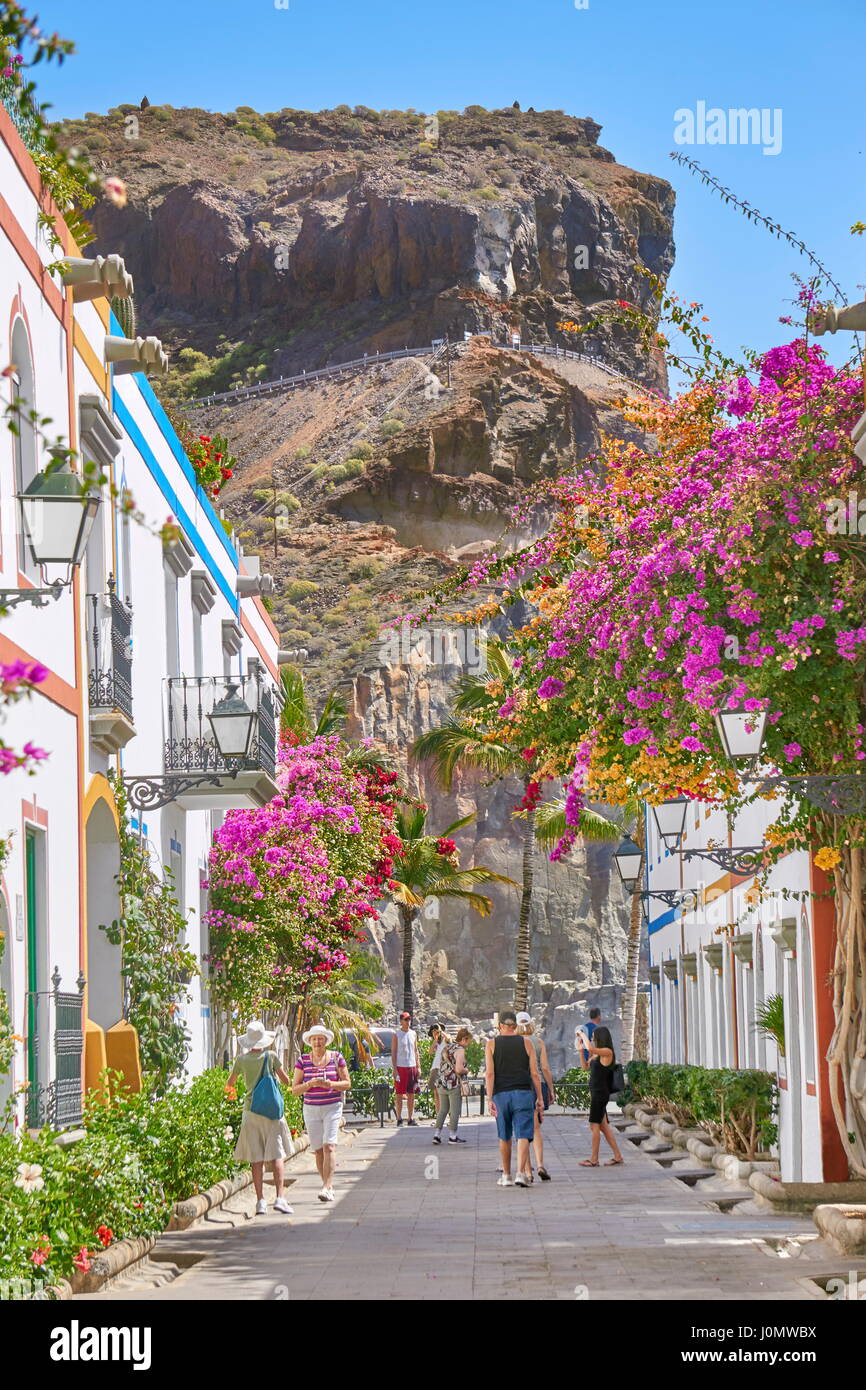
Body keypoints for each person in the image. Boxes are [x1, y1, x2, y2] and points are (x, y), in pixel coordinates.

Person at [225, 1020, 295, 1215]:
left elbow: (229, 1084)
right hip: (272, 1112)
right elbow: (286, 1080)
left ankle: (260, 1201)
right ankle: (280, 1198)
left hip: (251, 1111)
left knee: (256, 1159)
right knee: (276, 1155)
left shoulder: (241, 1060)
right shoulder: (271, 1056)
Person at [292, 1024, 352, 1202]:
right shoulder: (303, 1061)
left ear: (326, 1041)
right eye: (314, 1039)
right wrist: (309, 1084)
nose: (317, 1042)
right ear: (310, 1042)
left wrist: (330, 1085)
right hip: (311, 1108)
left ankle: (326, 1186)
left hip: (332, 1106)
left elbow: (347, 1083)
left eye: (320, 1039)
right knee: (318, 1150)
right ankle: (327, 1185)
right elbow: (295, 1089)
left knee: (329, 1146)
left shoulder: (336, 1057)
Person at [485, 1010, 544, 1187]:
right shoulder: (527, 1044)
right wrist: (539, 1097)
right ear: (515, 1026)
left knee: (504, 1136)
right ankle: (521, 1173)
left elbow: (489, 1074)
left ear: (500, 1026)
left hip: (501, 1095)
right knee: (523, 1134)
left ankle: (506, 1175)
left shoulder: (491, 1044)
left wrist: (489, 1099)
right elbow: (535, 1073)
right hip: (524, 1093)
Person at [576, 1025, 624, 1167]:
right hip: (596, 1092)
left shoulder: (607, 1052)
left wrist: (581, 1033)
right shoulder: (597, 1054)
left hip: (600, 1093)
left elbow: (590, 1048)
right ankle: (618, 1156)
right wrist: (580, 1051)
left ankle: (594, 1159)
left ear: (599, 1038)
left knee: (594, 1125)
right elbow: (585, 1067)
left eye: (593, 1037)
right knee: (603, 1126)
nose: (591, 1039)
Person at [516, 1011, 555, 1181]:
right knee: (536, 1128)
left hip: (520, 1087)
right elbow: (545, 1068)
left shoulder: (514, 1042)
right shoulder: (538, 1042)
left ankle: (527, 1172)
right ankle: (540, 1165)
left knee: (522, 1130)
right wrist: (551, 1089)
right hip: (537, 1086)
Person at [432, 1027, 471, 1144]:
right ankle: (453, 1136)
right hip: (453, 1084)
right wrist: (466, 1070)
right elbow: (459, 1069)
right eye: (468, 1041)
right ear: (464, 1039)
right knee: (454, 1111)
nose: (468, 1044)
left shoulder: (447, 1046)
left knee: (443, 1110)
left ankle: (436, 1135)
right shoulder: (460, 1050)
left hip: (441, 1082)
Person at [391, 1010, 421, 1125]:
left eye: (409, 1019)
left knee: (411, 1093)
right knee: (399, 1094)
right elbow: (393, 1052)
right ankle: (399, 1118)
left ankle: (410, 1118)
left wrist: (418, 1066)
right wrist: (394, 1069)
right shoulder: (396, 1034)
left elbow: (416, 1050)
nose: (408, 1021)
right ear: (401, 1021)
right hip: (400, 1066)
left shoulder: (413, 1033)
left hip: (412, 1066)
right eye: (406, 1019)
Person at [427, 1022, 445, 1102]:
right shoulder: (435, 1042)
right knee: (436, 1093)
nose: (435, 1033)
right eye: (433, 1032)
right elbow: (430, 1052)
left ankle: (443, 1112)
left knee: (442, 1093)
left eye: (436, 1031)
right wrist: (435, 1039)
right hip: (435, 1068)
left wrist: (440, 1031)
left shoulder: (445, 1040)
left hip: (444, 1068)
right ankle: (438, 1113)